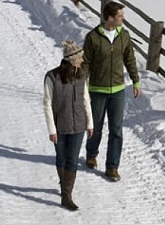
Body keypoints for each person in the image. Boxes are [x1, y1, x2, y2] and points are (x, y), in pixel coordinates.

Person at [82, 1, 141, 182]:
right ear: (109, 18)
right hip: (97, 90)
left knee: (116, 130)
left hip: (117, 91)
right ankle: (91, 154)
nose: (123, 19)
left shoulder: (124, 36)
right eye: (120, 16)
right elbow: (86, 64)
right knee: (96, 127)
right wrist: (80, 86)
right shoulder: (93, 37)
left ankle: (112, 167)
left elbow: (129, 59)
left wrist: (136, 81)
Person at [43, 40, 93, 211]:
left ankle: (66, 195)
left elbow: (86, 99)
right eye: (80, 58)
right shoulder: (52, 77)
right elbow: (47, 103)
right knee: (61, 157)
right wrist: (51, 129)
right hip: (60, 125)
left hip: (78, 125)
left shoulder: (81, 75)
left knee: (72, 160)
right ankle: (64, 184)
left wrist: (90, 123)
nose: (82, 60)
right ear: (72, 59)